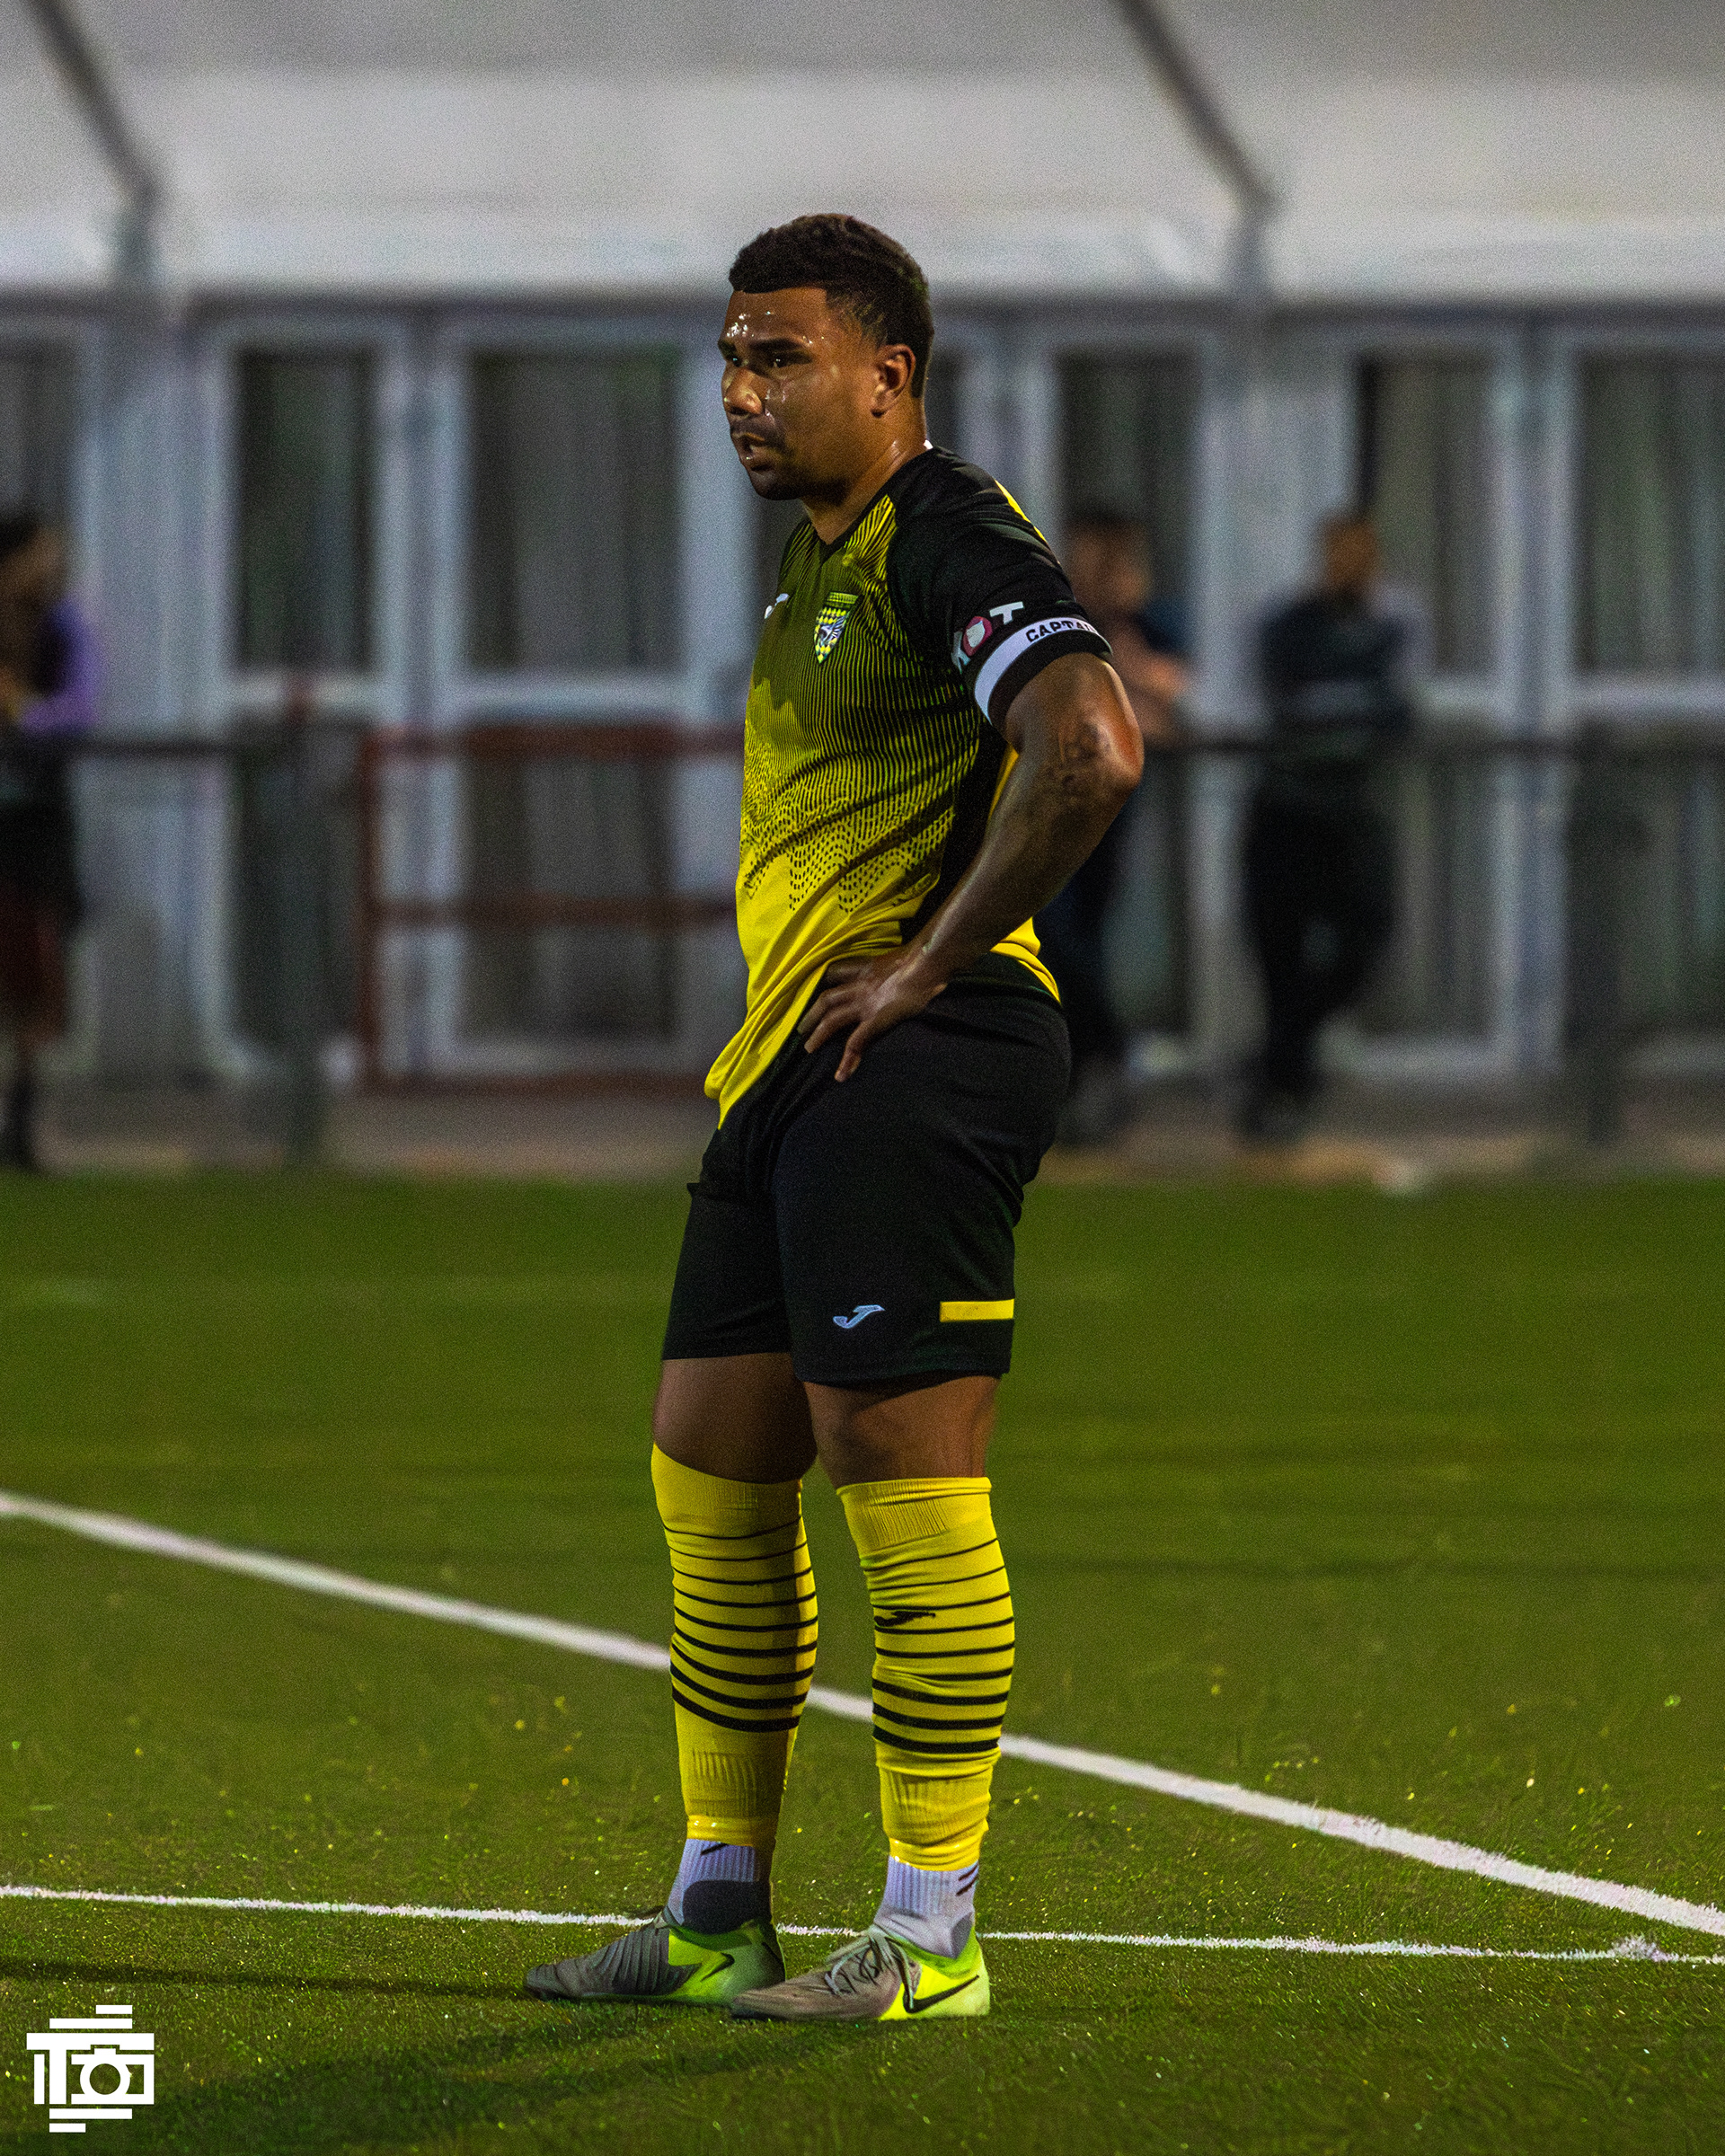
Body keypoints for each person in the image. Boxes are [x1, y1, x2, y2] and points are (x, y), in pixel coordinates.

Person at [525, 216, 1140, 2022]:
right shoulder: (822, 558)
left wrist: (934, 962)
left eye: (780, 358)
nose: (742, 392)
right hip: (794, 1059)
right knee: (712, 1458)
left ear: (891, 376)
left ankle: (933, 1935)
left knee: (900, 1466)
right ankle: (718, 1911)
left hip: (921, 1054)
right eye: (731, 357)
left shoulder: (947, 532)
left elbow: (1091, 744)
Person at [1237, 510, 1413, 1143]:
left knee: (1363, 949)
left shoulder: (1389, 629)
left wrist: (1348, 713)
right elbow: (1290, 707)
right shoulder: (1288, 627)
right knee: (1281, 961)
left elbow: (1399, 715)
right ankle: (1278, 1094)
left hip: (1353, 820)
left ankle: (1277, 1065)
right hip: (1287, 814)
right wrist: (1352, 712)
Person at [1036, 509, 1188, 1143]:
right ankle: (1100, 1057)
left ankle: (1093, 1068)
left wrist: (1123, 639)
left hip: (1112, 799)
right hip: (1051, 793)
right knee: (1056, 928)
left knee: (1084, 932)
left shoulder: (1148, 624)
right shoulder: (1054, 615)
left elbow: (1168, 704)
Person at [0, 516, 96, 1171]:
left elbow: (79, 710)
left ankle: (20, 1121)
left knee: (38, 975)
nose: (52, 564)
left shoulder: (63, 630)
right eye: (41, 554)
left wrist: (21, 710)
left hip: (37, 825)